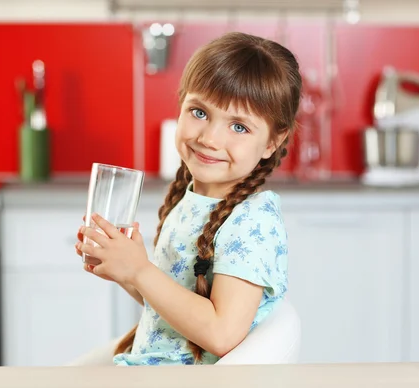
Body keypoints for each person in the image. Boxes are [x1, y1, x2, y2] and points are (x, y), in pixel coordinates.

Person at [74, 31, 302, 366]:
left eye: (239, 127)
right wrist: (125, 271)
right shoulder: (191, 198)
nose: (209, 138)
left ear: (272, 142)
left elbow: (222, 333)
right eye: (199, 112)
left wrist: (140, 271)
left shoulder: (252, 221)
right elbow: (178, 308)